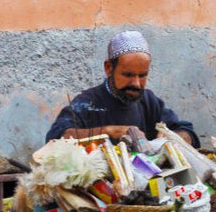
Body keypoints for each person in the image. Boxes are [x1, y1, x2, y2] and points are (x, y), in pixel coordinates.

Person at [45, 30, 200, 147]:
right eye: (128, 75)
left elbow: (185, 130)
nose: (137, 84)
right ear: (108, 68)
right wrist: (109, 132)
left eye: (142, 75)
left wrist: (174, 138)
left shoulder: (149, 101)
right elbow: (56, 138)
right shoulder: (86, 103)